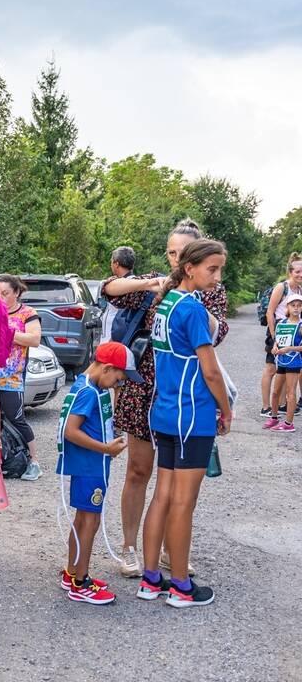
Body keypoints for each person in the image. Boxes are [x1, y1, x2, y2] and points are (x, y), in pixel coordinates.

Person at [102, 218, 228, 578]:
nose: (176, 258)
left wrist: (190, 300)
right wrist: (152, 283)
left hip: (184, 394)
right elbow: (110, 289)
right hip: (143, 388)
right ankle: (130, 549)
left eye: (183, 252)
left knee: (177, 482)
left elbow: (218, 334)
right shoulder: (156, 280)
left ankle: (172, 550)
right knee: (139, 471)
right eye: (172, 252)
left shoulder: (209, 288)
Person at [138, 239, 231, 608]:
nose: (217, 276)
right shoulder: (191, 309)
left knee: (162, 495)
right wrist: (226, 409)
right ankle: (180, 586)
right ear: (189, 267)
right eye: (212, 268)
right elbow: (210, 370)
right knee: (183, 502)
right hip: (192, 414)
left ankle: (150, 579)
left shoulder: (166, 302)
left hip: (164, 413)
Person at [56, 342, 138, 605]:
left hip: (91, 465)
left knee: (83, 520)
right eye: (119, 378)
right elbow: (71, 431)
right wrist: (105, 448)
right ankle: (81, 582)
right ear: (107, 368)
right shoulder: (89, 392)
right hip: (90, 466)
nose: (118, 385)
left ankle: (72, 573)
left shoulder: (89, 385)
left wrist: (109, 434)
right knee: (89, 522)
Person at [0, 274, 43, 481]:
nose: (0, 297)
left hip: (12, 378)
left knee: (17, 419)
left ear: (17, 293)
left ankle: (34, 461)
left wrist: (8, 333)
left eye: (5, 293)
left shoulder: (28, 313)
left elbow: (34, 339)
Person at [261, 254, 302, 419]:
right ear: (290, 272)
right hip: (278, 329)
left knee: (286, 368)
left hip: (293, 331)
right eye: (298, 271)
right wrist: (274, 336)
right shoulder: (282, 287)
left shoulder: (299, 290)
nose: (300, 275)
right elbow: (270, 311)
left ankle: (283, 406)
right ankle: (265, 407)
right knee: (271, 369)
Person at [267, 294, 302, 432]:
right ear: (287, 307)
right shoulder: (281, 323)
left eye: (299, 305)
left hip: (294, 362)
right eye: (293, 305)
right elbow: (277, 341)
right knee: (275, 392)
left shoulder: (300, 325)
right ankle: (274, 418)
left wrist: (289, 349)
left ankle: (288, 424)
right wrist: (275, 347)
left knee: (290, 393)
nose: (296, 308)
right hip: (281, 361)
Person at [99, 246, 136, 346]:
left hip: (114, 341)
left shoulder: (123, 285)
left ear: (116, 264)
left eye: (111, 262)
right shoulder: (136, 282)